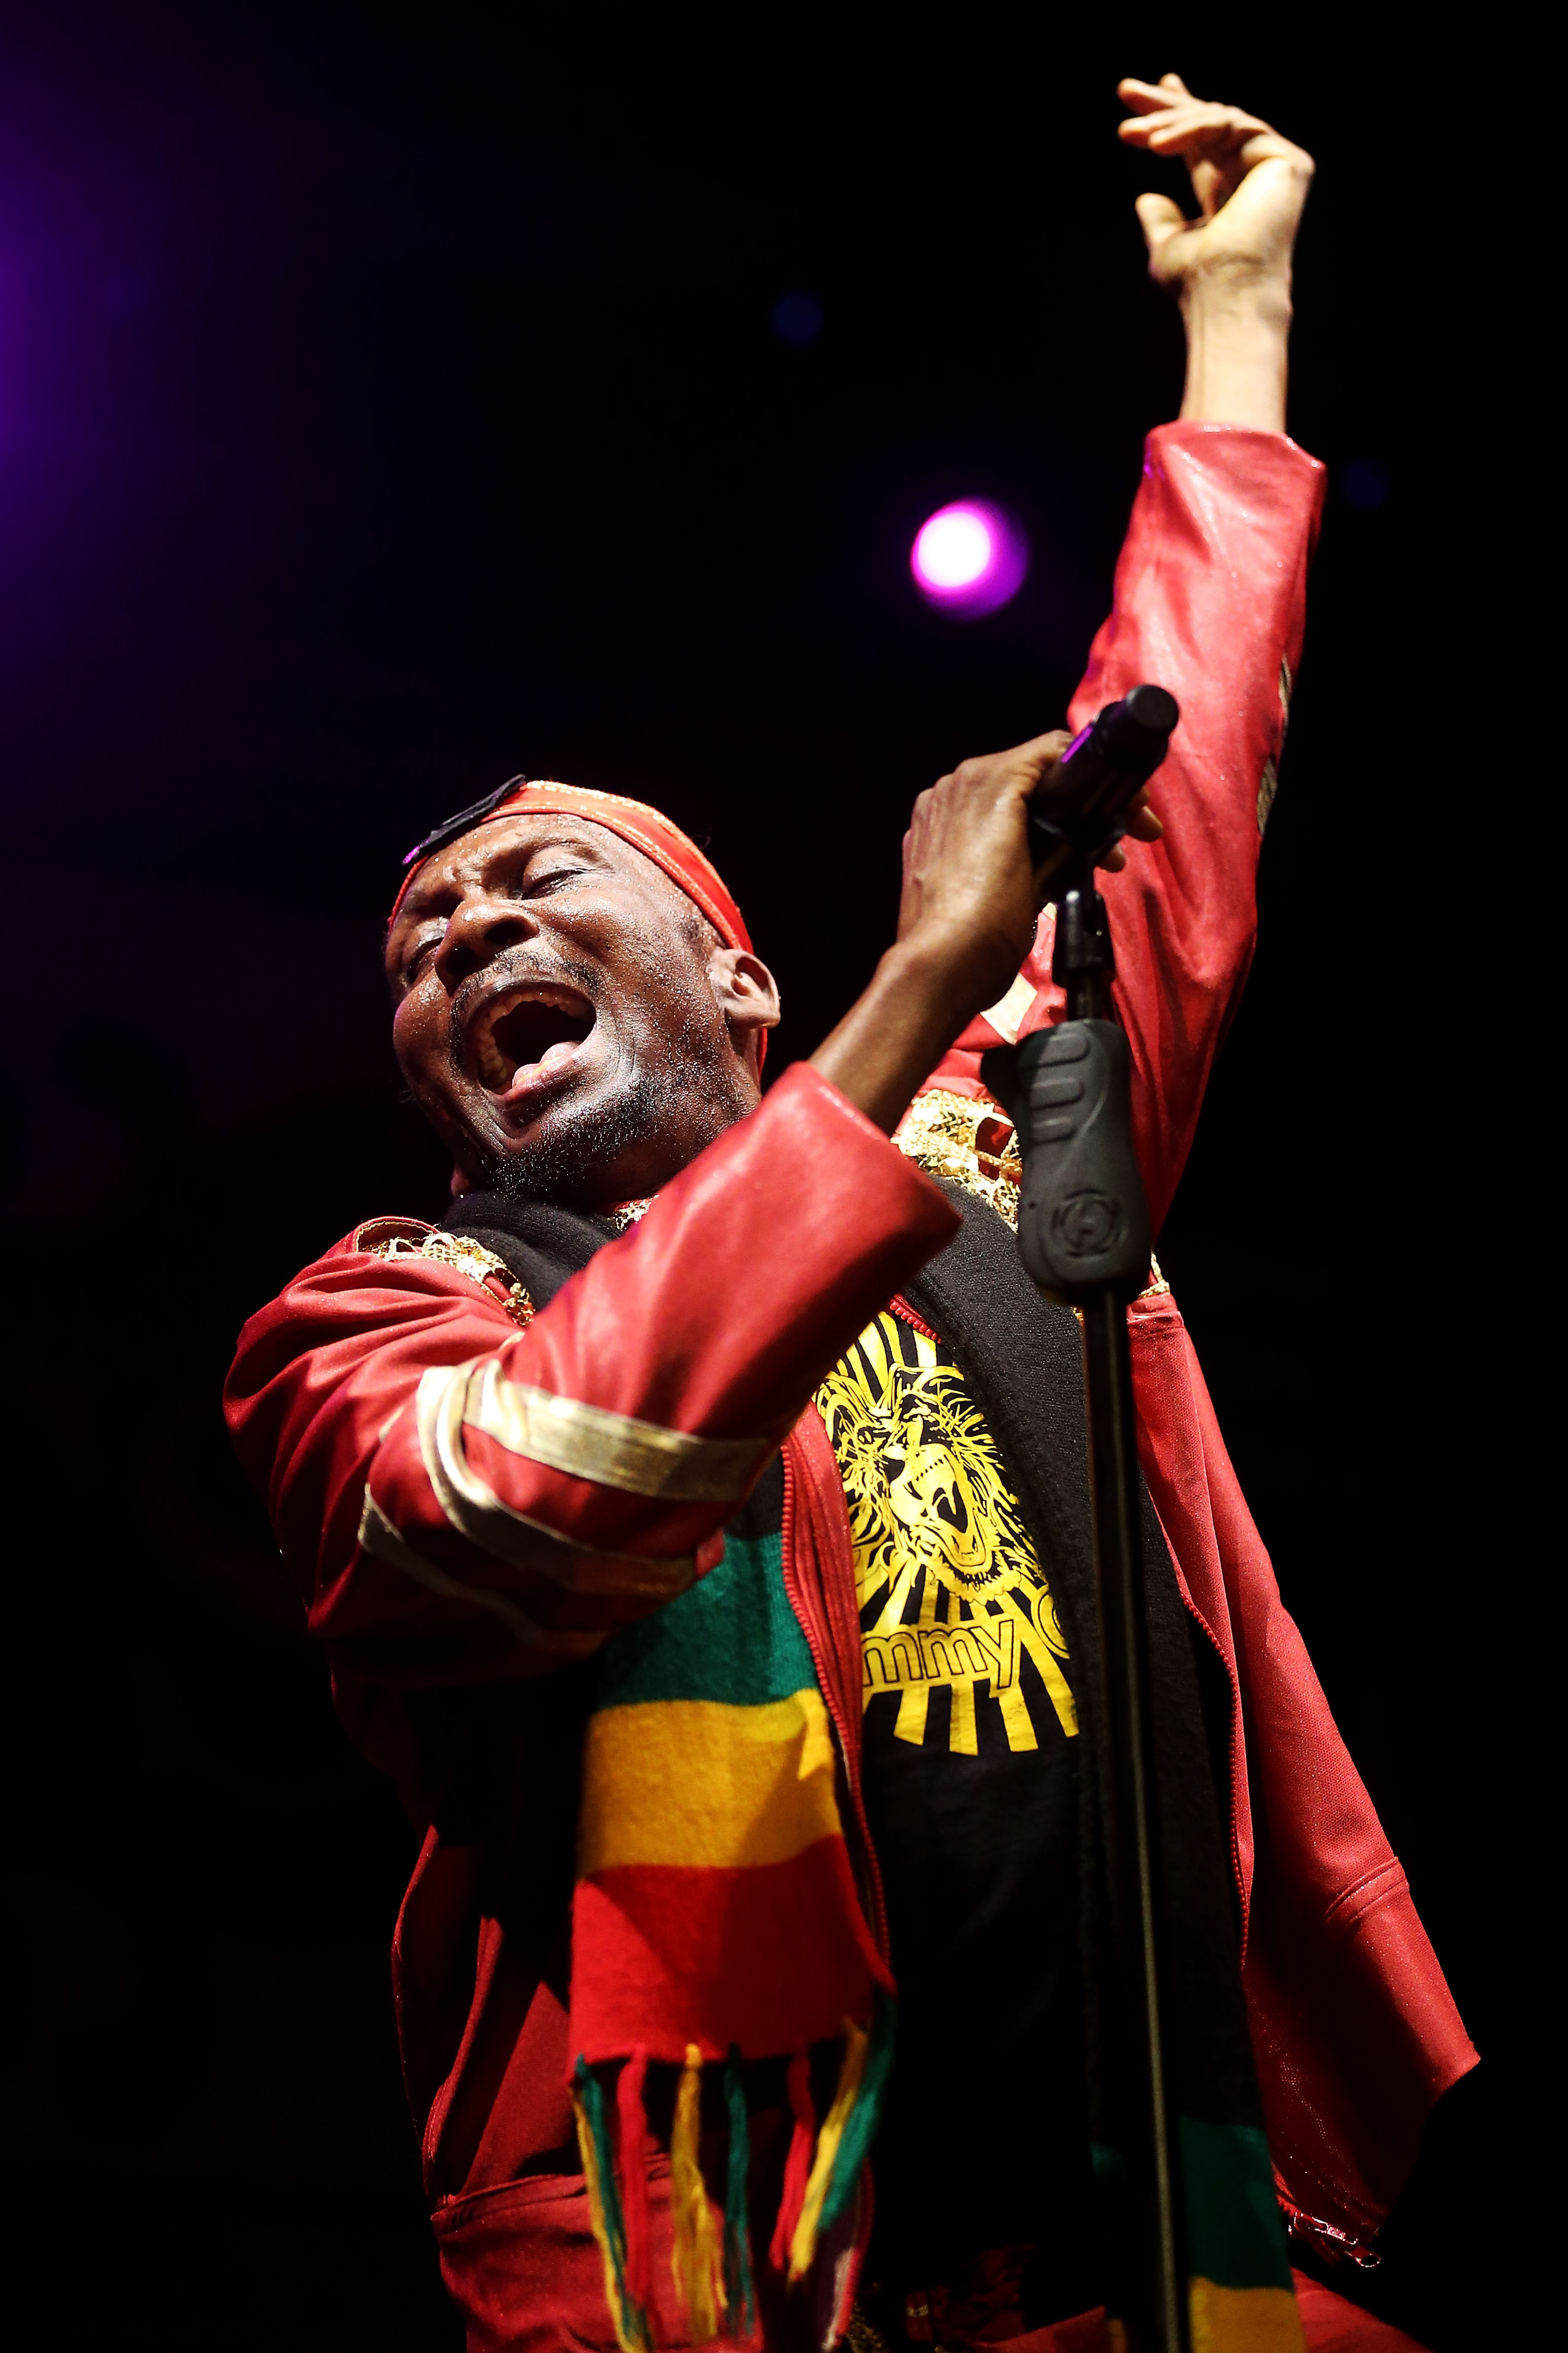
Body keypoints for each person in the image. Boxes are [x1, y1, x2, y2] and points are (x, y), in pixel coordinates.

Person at [226, 74, 1473, 2353]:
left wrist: (1241, 324)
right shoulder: (387, 1315)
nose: (469, 934)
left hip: (1178, 2261)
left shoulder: (991, 1142)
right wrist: (915, 989)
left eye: (539, 880)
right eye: (423, 945)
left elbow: (1178, 770)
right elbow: (500, 1518)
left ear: (735, 977)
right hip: (738, 2289)